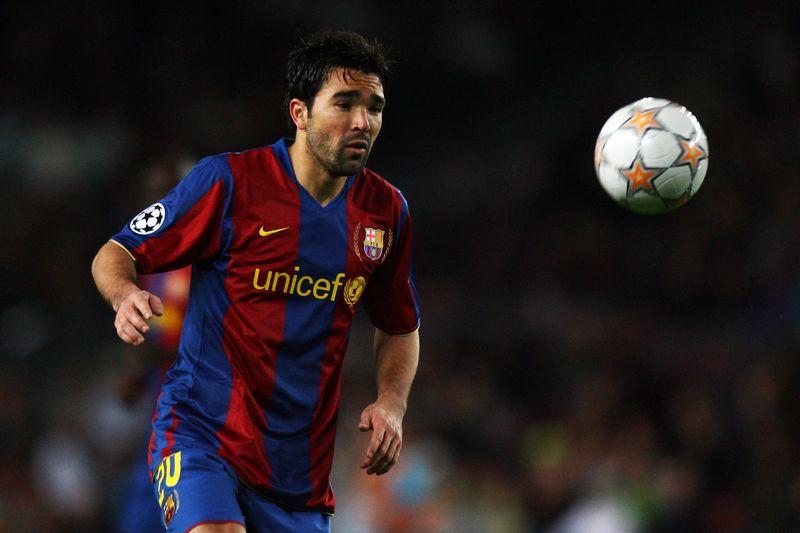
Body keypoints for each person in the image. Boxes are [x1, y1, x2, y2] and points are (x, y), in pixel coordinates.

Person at [92, 30, 420, 533]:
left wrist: (392, 403)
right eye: (344, 104)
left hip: (297, 475)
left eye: (374, 107)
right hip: (202, 437)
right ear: (300, 113)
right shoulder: (229, 183)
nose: (362, 122)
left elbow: (399, 325)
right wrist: (126, 295)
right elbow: (116, 252)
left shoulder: (386, 212)